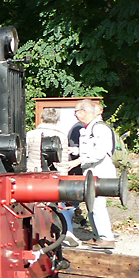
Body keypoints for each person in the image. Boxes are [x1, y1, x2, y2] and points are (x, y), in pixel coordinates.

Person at [27, 108, 81, 247]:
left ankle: (37, 233)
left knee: (36, 205)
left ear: (42, 118)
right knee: (56, 205)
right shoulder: (61, 136)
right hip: (54, 175)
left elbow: (26, 154)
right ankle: (63, 232)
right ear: (57, 120)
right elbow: (62, 160)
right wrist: (62, 177)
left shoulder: (31, 134)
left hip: (34, 174)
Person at [73, 99, 117, 249]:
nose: (75, 115)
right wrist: (75, 151)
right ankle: (99, 236)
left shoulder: (99, 129)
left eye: (76, 111)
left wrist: (77, 161)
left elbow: (99, 153)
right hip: (92, 172)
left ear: (84, 112)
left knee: (97, 204)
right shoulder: (90, 128)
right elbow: (91, 150)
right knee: (91, 204)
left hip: (99, 172)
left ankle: (107, 238)